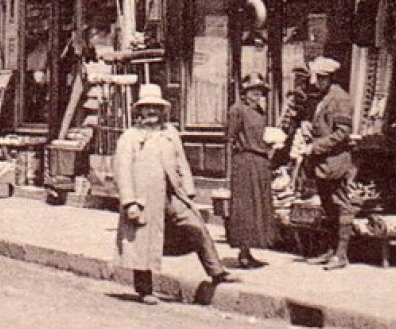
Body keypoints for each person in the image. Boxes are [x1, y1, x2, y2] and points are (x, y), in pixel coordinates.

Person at [114, 83, 235, 303]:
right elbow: (122, 172)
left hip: (172, 195)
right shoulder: (130, 137)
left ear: (162, 111)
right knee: (143, 241)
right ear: (139, 111)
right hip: (144, 198)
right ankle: (145, 290)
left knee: (196, 226)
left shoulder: (170, 134)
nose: (151, 112)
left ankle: (216, 270)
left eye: (156, 108)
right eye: (147, 108)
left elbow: (181, 162)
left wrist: (188, 190)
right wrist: (129, 202)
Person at [301, 56, 356, 269]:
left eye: (322, 78)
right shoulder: (323, 98)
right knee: (328, 207)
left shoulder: (340, 98)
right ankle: (331, 251)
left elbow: (343, 132)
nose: (317, 82)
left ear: (330, 78)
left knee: (341, 206)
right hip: (323, 163)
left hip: (335, 161)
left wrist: (316, 147)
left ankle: (341, 254)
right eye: (318, 77)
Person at [225, 72, 276, 269]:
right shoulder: (237, 110)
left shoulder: (260, 111)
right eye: (253, 91)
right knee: (245, 207)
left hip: (260, 161)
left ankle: (249, 250)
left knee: (257, 207)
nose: (257, 95)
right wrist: (232, 169)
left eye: (260, 92)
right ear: (244, 93)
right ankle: (243, 253)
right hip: (244, 162)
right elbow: (230, 138)